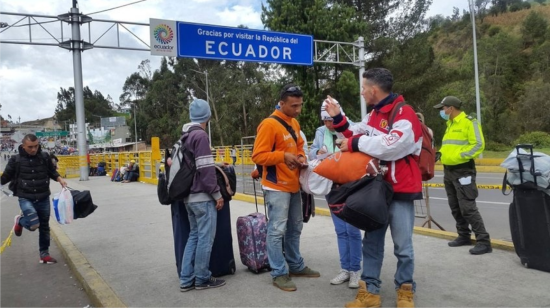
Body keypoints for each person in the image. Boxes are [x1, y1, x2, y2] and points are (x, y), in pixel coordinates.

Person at [325, 68, 422, 308]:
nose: (361, 91)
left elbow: (391, 145)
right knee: (372, 243)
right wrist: (338, 118)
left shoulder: (404, 114)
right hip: (376, 190)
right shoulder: (373, 115)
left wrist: (355, 142)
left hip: (399, 191)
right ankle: (369, 292)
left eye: (363, 87)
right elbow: (354, 132)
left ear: (374, 89)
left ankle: (405, 290)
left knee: (403, 246)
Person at [252, 84, 320, 292]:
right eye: (294, 106)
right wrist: (283, 156)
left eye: (300, 105)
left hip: (293, 184)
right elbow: (258, 156)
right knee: (276, 230)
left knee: (295, 227)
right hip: (276, 187)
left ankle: (296, 265)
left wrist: (300, 157)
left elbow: (300, 147)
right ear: (281, 103)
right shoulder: (269, 125)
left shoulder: (295, 123)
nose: (298, 110)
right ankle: (279, 273)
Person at [309, 100, 362, 289]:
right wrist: (317, 151)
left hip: (350, 185)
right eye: (325, 122)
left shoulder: (350, 128)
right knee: (340, 230)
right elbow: (311, 152)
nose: (329, 125)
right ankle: (345, 269)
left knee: (352, 230)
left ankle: (355, 270)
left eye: (331, 121)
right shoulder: (321, 132)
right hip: (331, 186)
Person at [433, 96, 491, 255]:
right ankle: (464, 235)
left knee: (468, 207)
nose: (442, 111)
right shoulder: (450, 123)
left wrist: (460, 157)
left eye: (443, 108)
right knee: (455, 206)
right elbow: (449, 146)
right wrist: (440, 154)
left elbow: (479, 145)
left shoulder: (469, 122)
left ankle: (484, 241)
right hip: (449, 170)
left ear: (450, 108)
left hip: (463, 170)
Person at [179, 98, 226, 291]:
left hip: (189, 197)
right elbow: (205, 169)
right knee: (205, 238)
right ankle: (202, 278)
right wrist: (217, 195)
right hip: (202, 198)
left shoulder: (185, 136)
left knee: (194, 236)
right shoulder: (201, 136)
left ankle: (186, 279)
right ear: (207, 116)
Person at [0, 134, 68, 264]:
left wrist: (60, 179)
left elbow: (51, 172)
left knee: (44, 226)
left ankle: (44, 254)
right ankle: (20, 222)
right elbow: (6, 176)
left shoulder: (44, 157)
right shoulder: (16, 160)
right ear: (23, 146)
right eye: (30, 147)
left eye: (36, 146)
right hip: (25, 197)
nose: (34, 149)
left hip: (43, 196)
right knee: (33, 224)